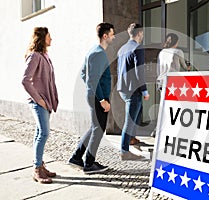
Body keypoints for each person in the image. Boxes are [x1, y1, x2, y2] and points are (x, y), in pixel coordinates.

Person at [68, 22, 115, 174]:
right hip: (98, 98)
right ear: (105, 36)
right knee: (99, 130)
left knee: (94, 128)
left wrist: (91, 89)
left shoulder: (93, 51)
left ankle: (76, 157)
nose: (114, 37)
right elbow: (91, 79)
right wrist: (102, 100)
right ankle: (89, 163)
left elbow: (84, 73)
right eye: (112, 34)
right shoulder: (98, 53)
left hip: (94, 95)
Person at [22, 27, 58, 184]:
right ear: (42, 38)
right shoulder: (35, 56)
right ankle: (37, 169)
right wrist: (39, 99)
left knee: (39, 133)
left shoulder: (44, 55)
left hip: (46, 101)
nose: (52, 39)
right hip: (39, 102)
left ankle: (40, 165)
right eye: (49, 36)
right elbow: (25, 80)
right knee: (43, 133)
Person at [117, 23, 150, 160]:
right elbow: (139, 72)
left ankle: (131, 138)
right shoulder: (138, 48)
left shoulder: (122, 49)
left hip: (123, 88)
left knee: (137, 112)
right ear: (139, 33)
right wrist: (144, 91)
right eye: (142, 33)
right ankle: (124, 151)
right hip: (133, 89)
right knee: (130, 120)